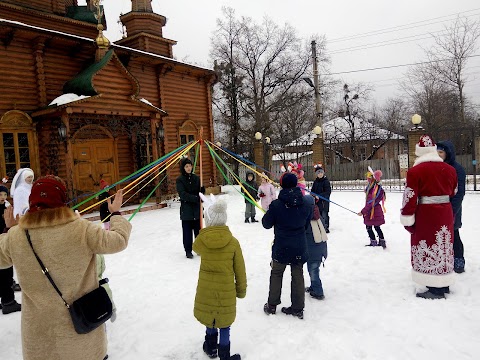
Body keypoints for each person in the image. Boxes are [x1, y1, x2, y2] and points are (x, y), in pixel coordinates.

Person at [0, 175, 132, 360]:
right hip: (81, 334)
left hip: (39, 338)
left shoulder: (16, 236)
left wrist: (8, 230)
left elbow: (1, 259)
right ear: (62, 199)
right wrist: (115, 213)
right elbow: (118, 241)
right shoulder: (81, 229)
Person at [400, 135, 457, 300]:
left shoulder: (415, 171)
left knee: (429, 244)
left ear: (419, 152)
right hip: (445, 211)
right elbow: (453, 191)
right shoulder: (450, 169)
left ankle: (435, 287)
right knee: (444, 244)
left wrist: (407, 217)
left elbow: (410, 196)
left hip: (427, 214)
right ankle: (444, 282)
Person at [193, 195, 246, 360]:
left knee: (210, 316)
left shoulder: (202, 240)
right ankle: (224, 354)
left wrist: (206, 231)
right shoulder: (233, 242)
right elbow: (240, 269)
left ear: (208, 219)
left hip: (207, 290)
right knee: (224, 323)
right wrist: (241, 289)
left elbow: (195, 247)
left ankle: (210, 347)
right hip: (225, 291)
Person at [262, 172, 312, 319]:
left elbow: (266, 224)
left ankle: (272, 305)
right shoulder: (305, 203)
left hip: (281, 246)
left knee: (277, 273)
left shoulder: (277, 205)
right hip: (299, 245)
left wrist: (273, 213)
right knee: (298, 274)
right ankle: (297, 308)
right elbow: (306, 224)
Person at [437, 141, 466, 273]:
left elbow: (460, 192)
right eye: (436, 152)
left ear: (447, 153)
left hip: (453, 207)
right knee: (442, 235)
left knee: (454, 233)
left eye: (441, 152)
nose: (438, 155)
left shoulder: (457, 168)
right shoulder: (436, 167)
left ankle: (459, 260)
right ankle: (445, 259)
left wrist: (452, 210)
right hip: (440, 208)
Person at [176, 157, 204, 259]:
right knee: (187, 233)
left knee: (198, 232)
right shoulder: (180, 180)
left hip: (197, 210)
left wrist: (202, 192)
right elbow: (183, 194)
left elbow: (199, 193)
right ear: (183, 168)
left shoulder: (196, 178)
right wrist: (195, 198)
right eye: (186, 166)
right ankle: (188, 250)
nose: (188, 168)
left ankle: (199, 248)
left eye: (190, 166)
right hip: (186, 211)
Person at [0, 184, 21, 314]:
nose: (3, 197)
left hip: (4, 243)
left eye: (4, 194)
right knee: (5, 274)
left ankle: (5, 300)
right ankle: (8, 302)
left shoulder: (5, 208)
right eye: (0, 195)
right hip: (2, 246)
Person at [303, 194, 328, 300]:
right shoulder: (318, 215)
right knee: (313, 269)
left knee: (313, 270)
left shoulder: (308, 219)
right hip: (320, 249)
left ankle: (318, 291)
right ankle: (313, 286)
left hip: (313, 251)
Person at [358, 167, 387, 248]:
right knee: (377, 227)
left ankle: (373, 242)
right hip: (374, 211)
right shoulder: (374, 187)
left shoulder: (374, 189)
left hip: (372, 212)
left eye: (369, 176)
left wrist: (363, 212)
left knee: (369, 227)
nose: (367, 178)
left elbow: (370, 203)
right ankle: (382, 241)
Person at [311, 164, 331, 233]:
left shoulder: (326, 181)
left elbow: (328, 192)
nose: (320, 174)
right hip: (317, 202)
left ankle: (326, 227)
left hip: (324, 202)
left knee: (324, 214)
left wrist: (319, 196)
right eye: (318, 173)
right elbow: (312, 191)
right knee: (318, 214)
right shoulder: (315, 182)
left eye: (321, 172)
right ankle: (320, 226)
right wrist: (313, 195)